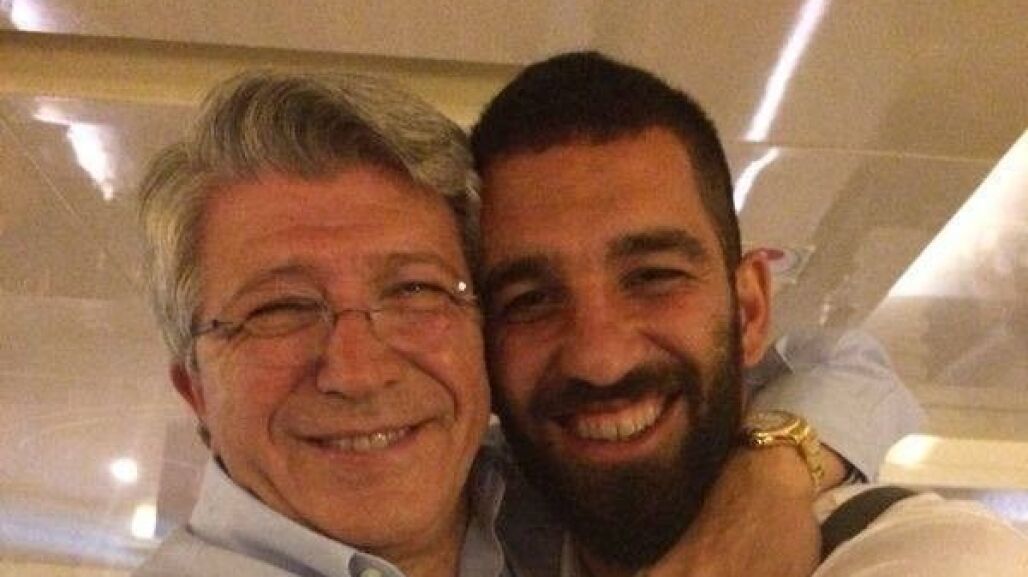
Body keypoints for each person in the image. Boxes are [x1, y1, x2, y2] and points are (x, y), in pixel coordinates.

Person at [470, 51, 1028, 577]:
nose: (599, 359)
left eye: (653, 277)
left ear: (750, 310)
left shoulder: (937, 555)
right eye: (529, 300)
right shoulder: (476, 513)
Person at [134, 71, 501, 577]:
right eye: (278, 310)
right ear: (196, 390)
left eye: (414, 290)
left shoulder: (562, 509)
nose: (358, 373)